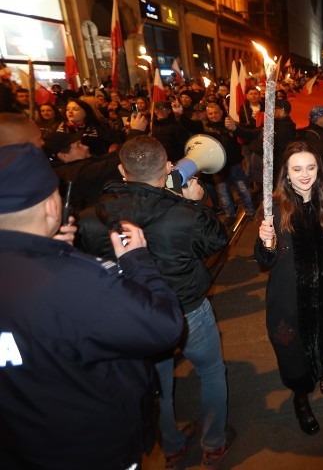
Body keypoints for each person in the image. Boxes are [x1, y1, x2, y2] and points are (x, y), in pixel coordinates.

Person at [0, 142, 183, 469]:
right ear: (52, 207)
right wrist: (137, 260)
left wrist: (50, 252)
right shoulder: (70, 282)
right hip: (93, 449)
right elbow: (165, 325)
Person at [76, 136, 233, 469]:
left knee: (156, 385)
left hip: (135, 316)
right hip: (188, 310)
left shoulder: (90, 217)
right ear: (168, 167)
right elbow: (219, 239)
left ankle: (172, 446)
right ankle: (213, 443)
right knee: (211, 372)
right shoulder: (183, 212)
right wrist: (195, 202)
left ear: (121, 170)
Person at [255, 142, 323, 435]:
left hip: (322, 290)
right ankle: (300, 398)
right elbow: (264, 260)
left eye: (310, 168)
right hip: (289, 295)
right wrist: (265, 241)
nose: (305, 174)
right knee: (294, 349)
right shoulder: (274, 207)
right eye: (297, 169)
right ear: (287, 173)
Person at [56, 98, 120, 155]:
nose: (70, 112)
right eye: (67, 109)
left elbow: (114, 142)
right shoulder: (61, 129)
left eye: (75, 109)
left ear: (86, 112)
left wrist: (114, 146)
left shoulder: (97, 127)